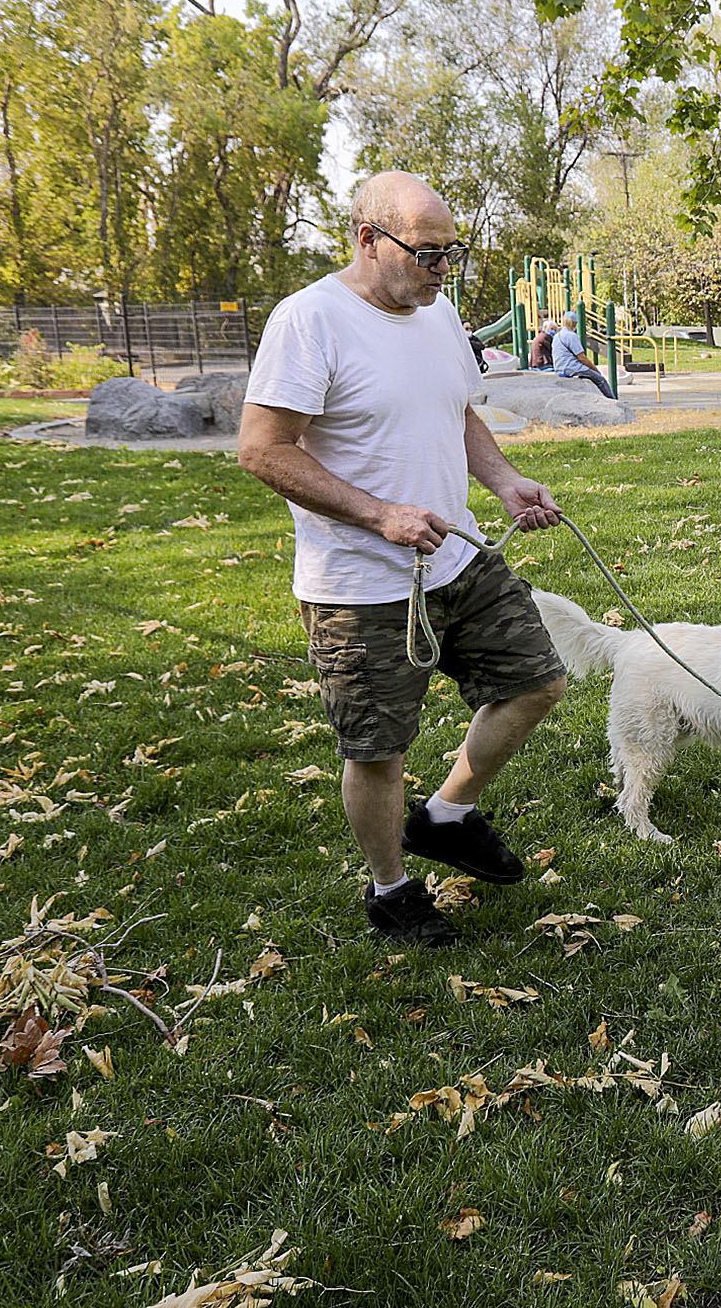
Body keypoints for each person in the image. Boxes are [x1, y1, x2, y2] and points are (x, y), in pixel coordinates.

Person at [237, 172, 571, 947]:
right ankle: (391, 891)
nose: (442, 270)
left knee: (537, 682)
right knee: (379, 751)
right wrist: (377, 513)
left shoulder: (438, 312)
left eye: (451, 254)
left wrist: (506, 481)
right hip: (361, 587)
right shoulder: (310, 321)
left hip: (455, 556)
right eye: (426, 254)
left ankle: (447, 815)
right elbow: (261, 450)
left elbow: (455, 411)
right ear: (366, 238)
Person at [550, 308, 617, 400]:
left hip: (559, 368)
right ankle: (613, 400)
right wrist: (595, 370)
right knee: (600, 380)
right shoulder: (571, 336)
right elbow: (582, 358)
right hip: (571, 368)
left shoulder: (557, 336)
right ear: (575, 324)